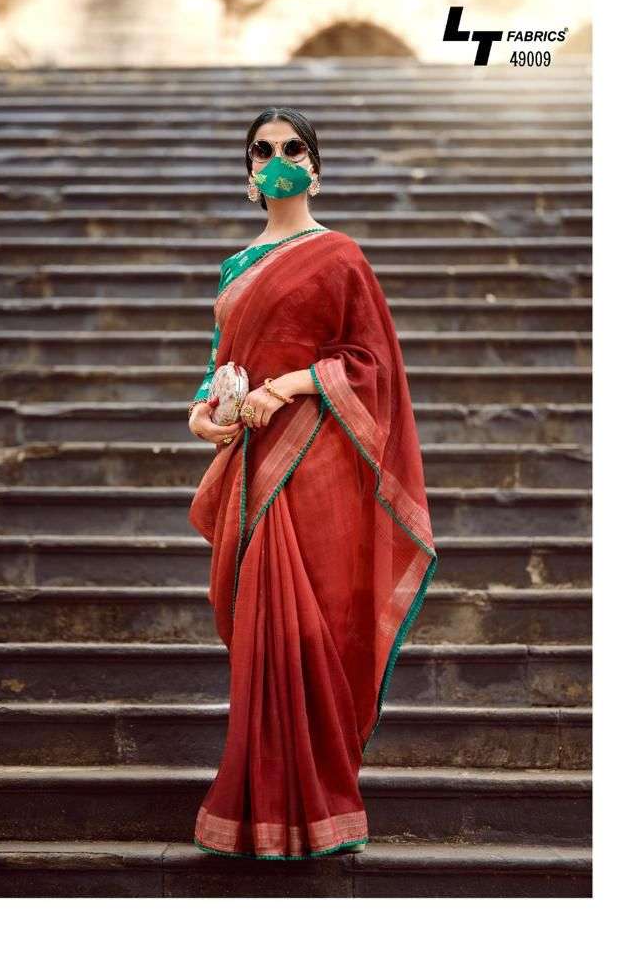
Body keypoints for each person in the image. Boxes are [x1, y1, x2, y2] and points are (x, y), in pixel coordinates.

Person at [186, 107, 438, 859]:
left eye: (292, 148)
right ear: (248, 174)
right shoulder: (236, 267)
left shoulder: (339, 256)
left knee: (308, 625)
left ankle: (322, 801)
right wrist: (202, 413)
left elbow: (371, 363)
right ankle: (260, 806)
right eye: (262, 150)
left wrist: (288, 385)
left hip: (315, 460)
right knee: (260, 628)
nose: (278, 159)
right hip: (250, 462)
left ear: (315, 169)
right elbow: (217, 366)